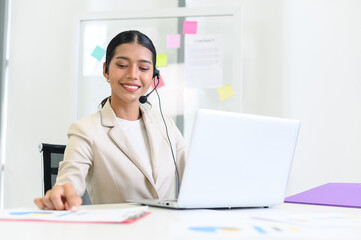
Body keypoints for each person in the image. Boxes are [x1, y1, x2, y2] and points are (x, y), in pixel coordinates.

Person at [34, 30, 187, 211]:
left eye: (144, 68)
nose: (133, 74)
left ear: (153, 76)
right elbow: (70, 178)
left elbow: (195, 177)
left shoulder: (166, 125)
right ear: (106, 70)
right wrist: (63, 192)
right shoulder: (85, 130)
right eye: (122, 65)